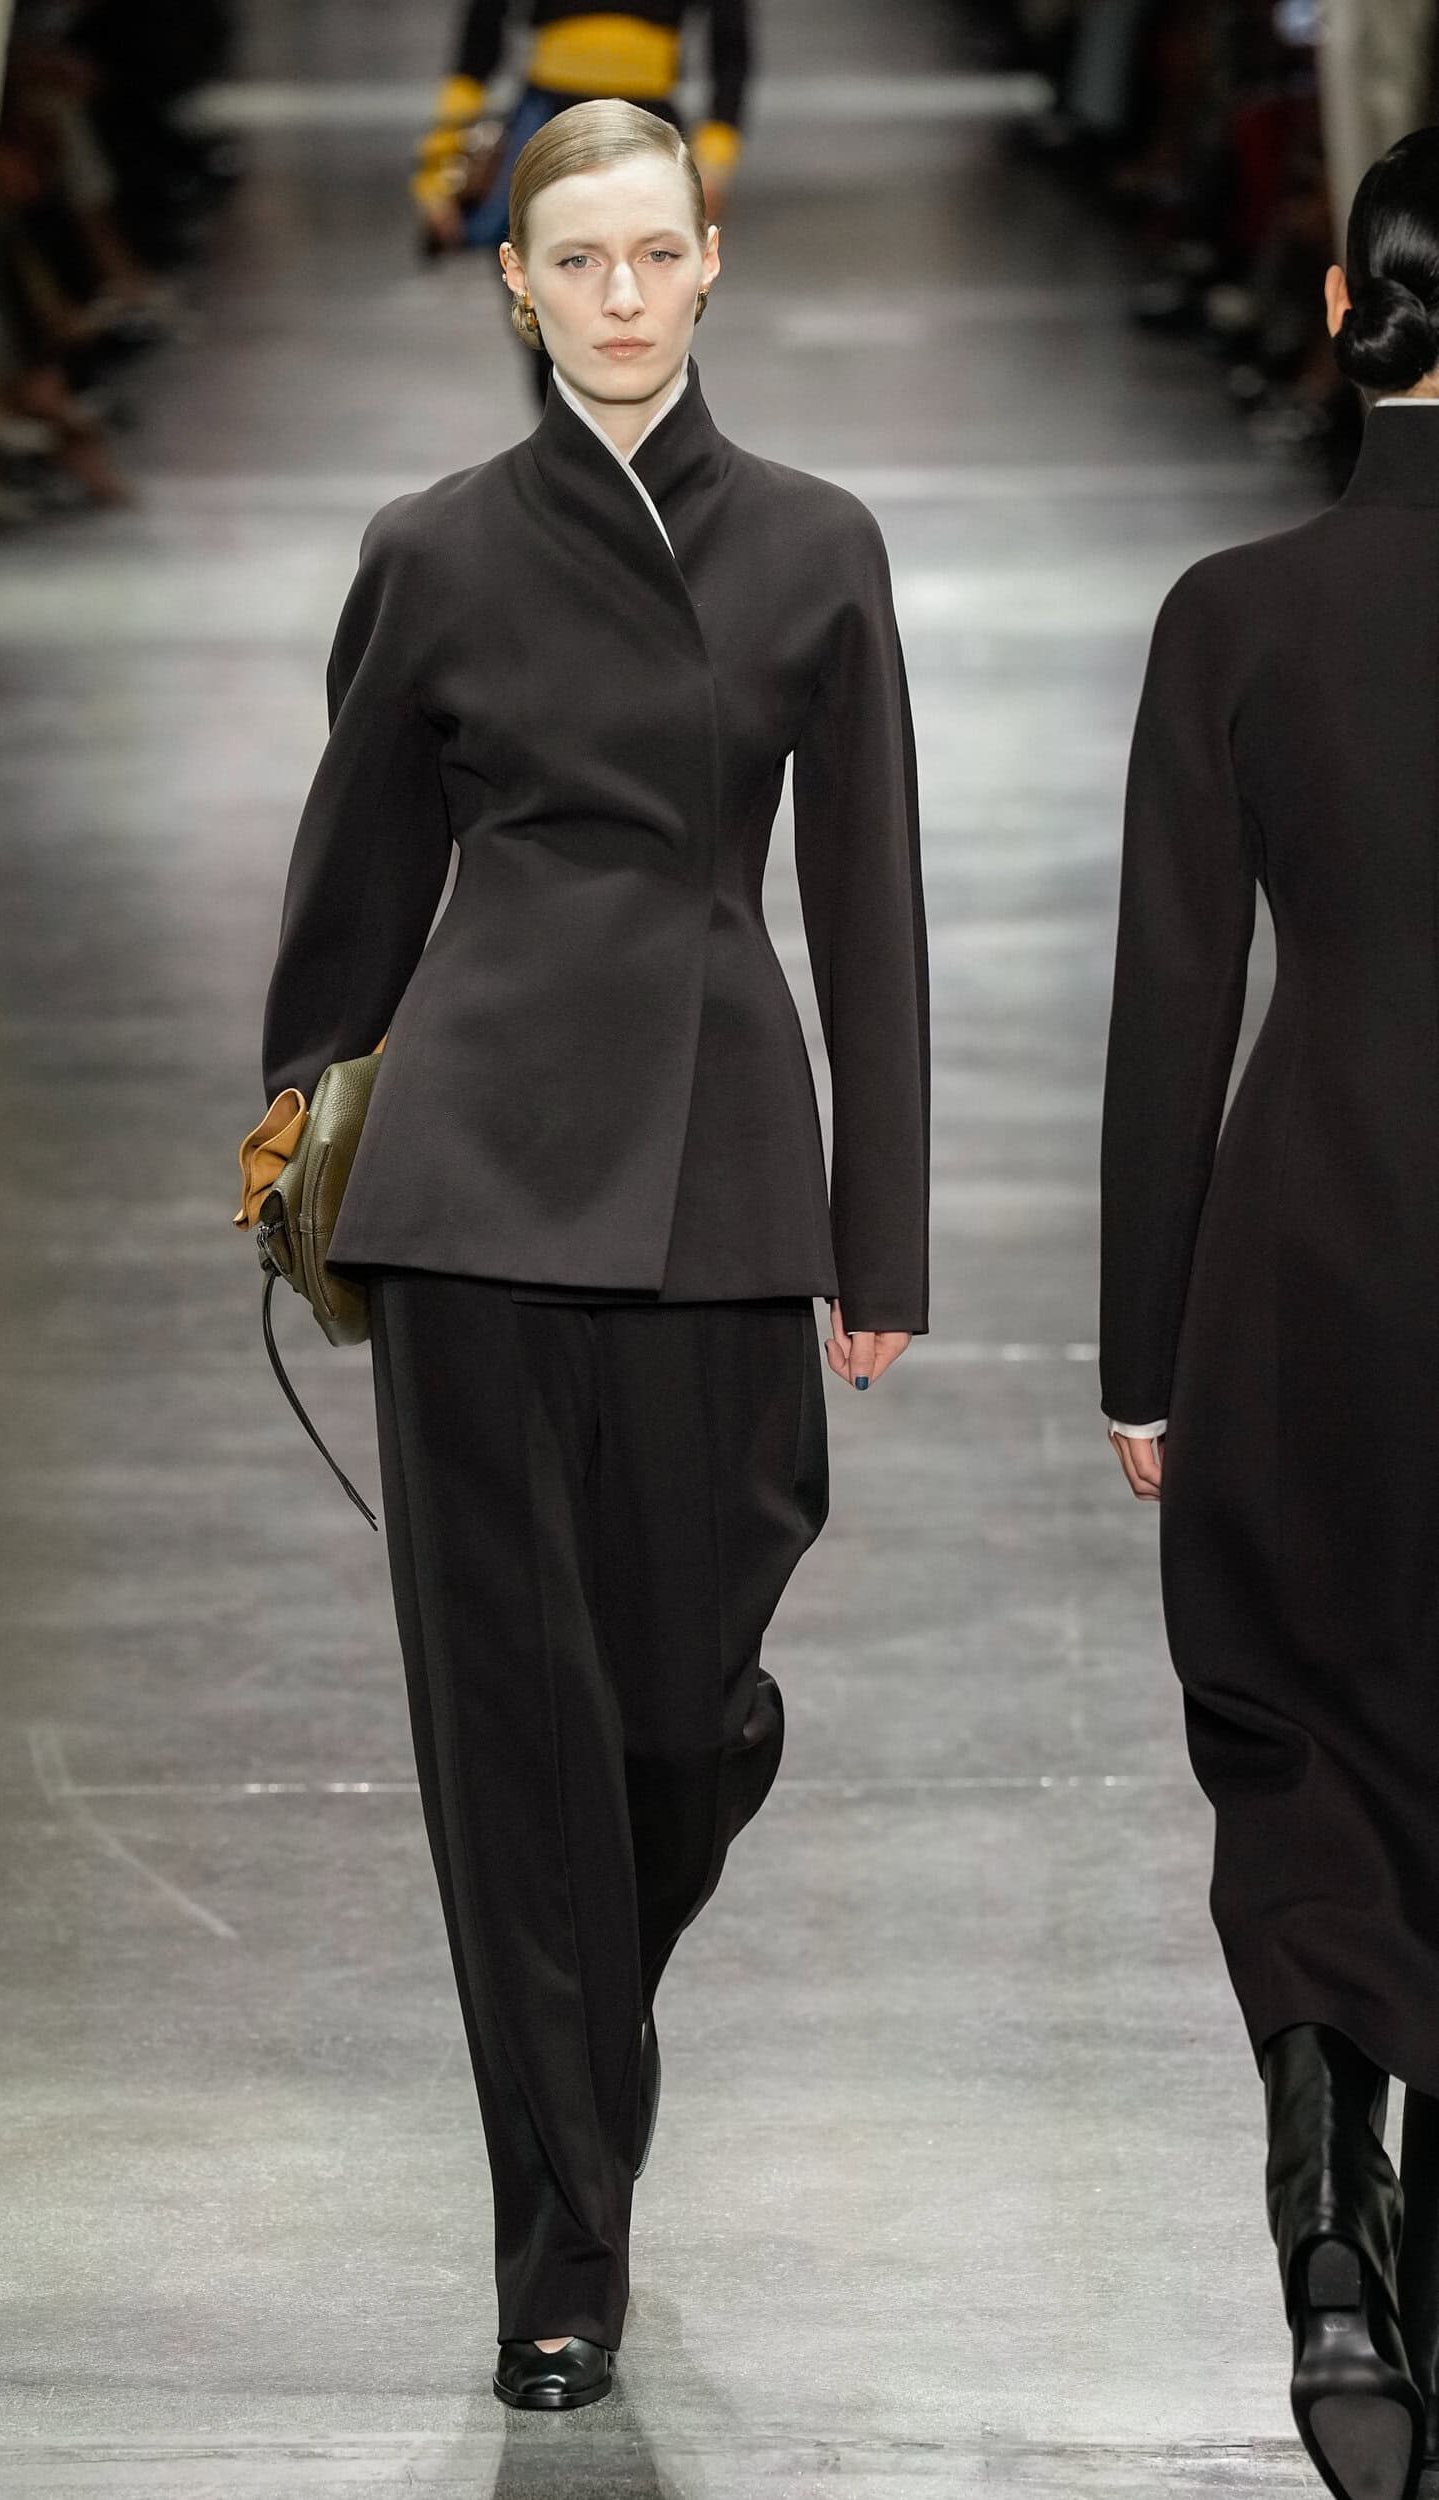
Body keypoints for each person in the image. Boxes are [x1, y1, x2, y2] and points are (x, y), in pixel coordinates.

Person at [259, 97, 929, 2410]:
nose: (622, 296)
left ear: (711, 259)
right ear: (515, 285)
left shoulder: (820, 548)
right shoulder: (433, 553)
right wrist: (297, 1114)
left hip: (721, 1169)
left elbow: (870, 905)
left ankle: (587, 2000)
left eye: (656, 253)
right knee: (504, 1733)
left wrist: (880, 1233)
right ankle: (558, 2248)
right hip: (471, 1185)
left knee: (671, 1704)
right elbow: (356, 868)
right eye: (579, 261)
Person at [1100, 123, 1439, 2500]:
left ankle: (1330, 2224)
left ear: (1339, 316)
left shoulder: (1231, 615)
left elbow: (1166, 1012)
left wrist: (1143, 1353)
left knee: (1301, 1742)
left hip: (1306, 1246)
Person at [410, 0, 752, 405]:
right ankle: (577, 438)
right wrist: (440, 164)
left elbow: (730, 45)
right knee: (551, 334)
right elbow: (480, 39)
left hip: (605, 129)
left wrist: (716, 160)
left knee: (641, 323)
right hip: (571, 128)